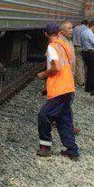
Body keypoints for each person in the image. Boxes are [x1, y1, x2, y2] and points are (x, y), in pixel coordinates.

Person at [36, 23, 79, 160]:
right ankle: (72, 151)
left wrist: (43, 74)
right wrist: (47, 87)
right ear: (59, 33)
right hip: (68, 87)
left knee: (43, 115)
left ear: (46, 34)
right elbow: (68, 66)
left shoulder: (52, 46)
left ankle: (45, 147)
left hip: (60, 89)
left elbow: (56, 67)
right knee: (64, 119)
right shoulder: (64, 45)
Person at [78, 20, 94, 94]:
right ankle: (90, 88)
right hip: (90, 53)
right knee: (92, 71)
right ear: (93, 26)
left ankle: (87, 87)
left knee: (88, 70)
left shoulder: (83, 32)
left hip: (85, 52)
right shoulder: (90, 33)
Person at [72, 19, 88, 86]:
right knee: (85, 65)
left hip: (76, 47)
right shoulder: (87, 29)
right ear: (87, 24)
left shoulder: (75, 28)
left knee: (79, 65)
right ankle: (84, 80)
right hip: (84, 48)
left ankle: (80, 81)